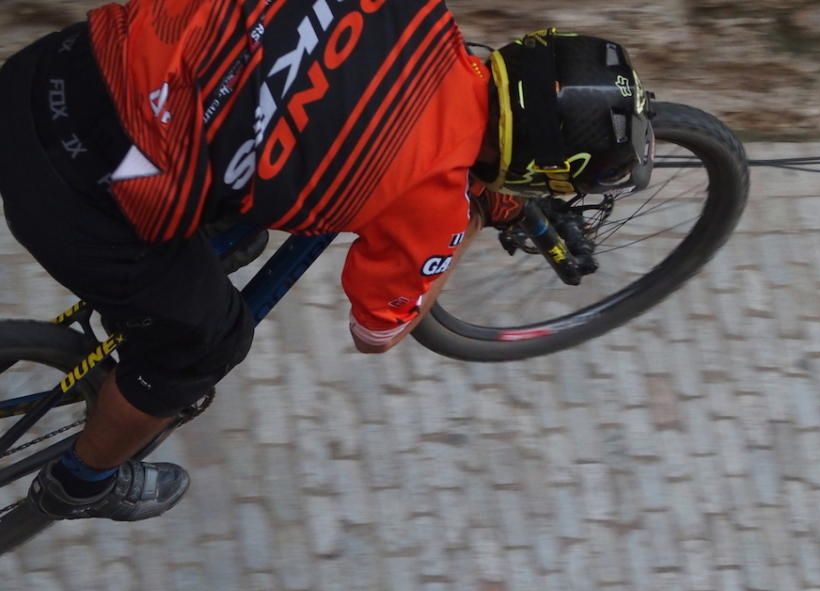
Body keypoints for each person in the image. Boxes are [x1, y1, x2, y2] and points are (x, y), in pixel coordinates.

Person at [0, 0, 652, 522]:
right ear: (534, 171)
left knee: (246, 215)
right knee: (205, 346)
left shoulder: (419, 14)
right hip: (76, 193)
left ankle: (145, 297)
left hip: (55, 68)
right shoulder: (433, 207)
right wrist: (477, 212)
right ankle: (82, 484)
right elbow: (376, 331)